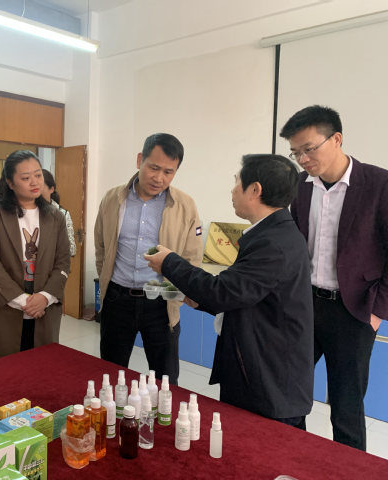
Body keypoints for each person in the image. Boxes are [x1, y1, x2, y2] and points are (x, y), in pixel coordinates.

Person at [145, 154, 314, 427]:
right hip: (261, 368)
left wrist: (169, 262)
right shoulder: (271, 234)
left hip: (269, 381)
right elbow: (243, 293)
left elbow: (222, 291)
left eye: (237, 182)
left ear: (255, 190)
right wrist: (198, 299)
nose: (233, 190)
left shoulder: (273, 243)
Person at [280, 105, 388, 450]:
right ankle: (294, 458)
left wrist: (376, 312)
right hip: (305, 305)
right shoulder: (300, 186)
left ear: (336, 139)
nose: (303, 159)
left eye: (309, 149)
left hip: (353, 311)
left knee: (346, 406)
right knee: (289, 391)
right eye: (296, 152)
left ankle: (349, 469)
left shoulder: (379, 184)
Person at [94, 133, 203, 382]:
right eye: (154, 168)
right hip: (117, 300)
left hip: (161, 303)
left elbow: (191, 258)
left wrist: (175, 298)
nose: (159, 178)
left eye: (168, 172)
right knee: (111, 375)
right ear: (139, 160)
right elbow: (101, 247)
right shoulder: (112, 199)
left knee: (166, 380)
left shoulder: (185, 205)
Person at [0, 150, 71, 363]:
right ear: (10, 182)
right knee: (2, 370)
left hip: (44, 308)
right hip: (4, 307)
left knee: (39, 368)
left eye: (38, 175)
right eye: (26, 178)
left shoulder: (56, 216)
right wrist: (23, 301)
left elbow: (63, 261)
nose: (34, 182)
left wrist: (44, 297)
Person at [41, 169, 77, 256]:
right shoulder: (27, 212)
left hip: (54, 262)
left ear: (51, 189)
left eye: (41, 187)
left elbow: (72, 249)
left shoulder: (62, 214)